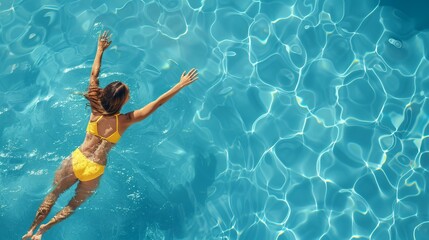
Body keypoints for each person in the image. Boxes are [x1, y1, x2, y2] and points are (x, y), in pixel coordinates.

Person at [22, 31, 199, 240]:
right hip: (94, 170)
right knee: (72, 204)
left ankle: (31, 229)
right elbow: (157, 103)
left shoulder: (95, 108)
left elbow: (94, 75)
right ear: (123, 102)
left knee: (54, 193)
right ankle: (44, 231)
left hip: (77, 159)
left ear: (104, 95)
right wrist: (179, 85)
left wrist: (99, 50)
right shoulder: (125, 121)